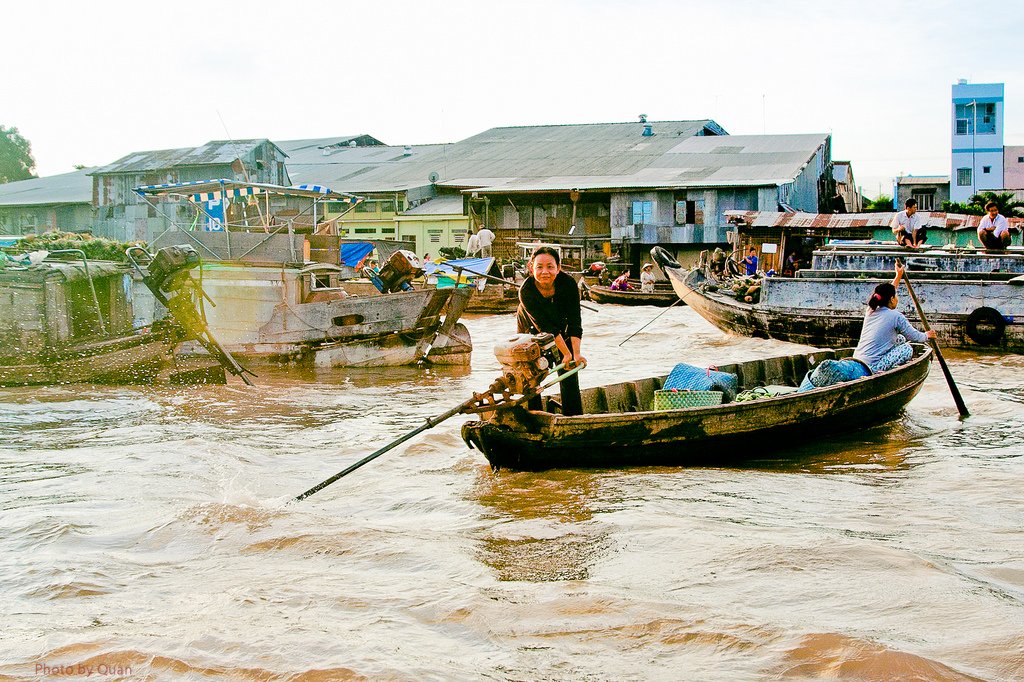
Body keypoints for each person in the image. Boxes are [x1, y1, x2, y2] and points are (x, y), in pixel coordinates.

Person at [517, 246, 585, 416]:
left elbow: (575, 321)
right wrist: (565, 353)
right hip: (531, 330)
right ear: (531, 267)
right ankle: (535, 416)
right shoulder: (526, 291)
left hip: (562, 326)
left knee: (569, 370)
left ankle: (574, 417)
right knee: (532, 377)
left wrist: (574, 354)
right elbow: (545, 327)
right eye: (539, 267)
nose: (544, 272)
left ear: (558, 268)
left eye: (550, 267)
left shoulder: (568, 284)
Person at [852, 263, 936, 373]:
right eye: (896, 295)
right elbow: (915, 337)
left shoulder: (871, 310)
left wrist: (898, 276)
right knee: (907, 349)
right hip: (872, 366)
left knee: (900, 339)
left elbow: (888, 292)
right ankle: (880, 372)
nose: (897, 298)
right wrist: (927, 335)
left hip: (857, 359)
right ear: (892, 299)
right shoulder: (896, 317)